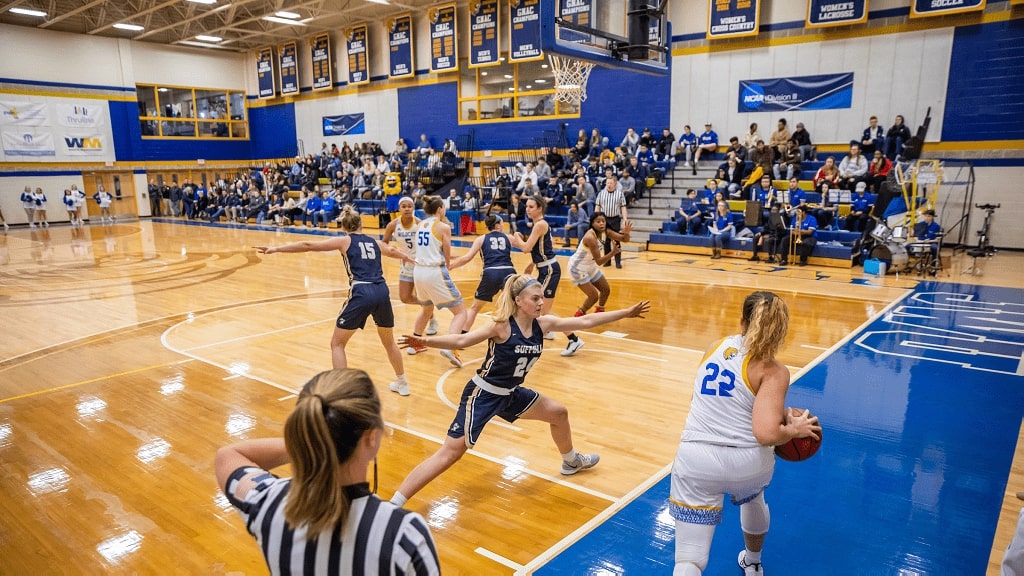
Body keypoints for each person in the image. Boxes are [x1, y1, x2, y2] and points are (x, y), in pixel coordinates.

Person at [390, 275, 652, 505]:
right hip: (483, 394)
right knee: (451, 453)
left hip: (510, 394)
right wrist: (424, 340)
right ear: (518, 300)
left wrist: (625, 312)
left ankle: (571, 461)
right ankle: (395, 502)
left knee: (558, 413)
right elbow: (461, 340)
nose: (541, 302)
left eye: (541, 298)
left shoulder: (543, 325)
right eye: (535, 298)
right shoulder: (501, 326)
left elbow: (586, 322)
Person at [215, 369, 440, 575]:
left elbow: (228, 455)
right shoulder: (404, 534)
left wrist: (313, 442)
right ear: (372, 438)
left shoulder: (267, 503)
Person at [670, 291, 821, 576]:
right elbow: (766, 434)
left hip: (696, 459)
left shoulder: (714, 347)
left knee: (689, 560)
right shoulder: (774, 370)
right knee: (754, 498)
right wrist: (793, 429)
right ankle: (752, 562)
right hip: (747, 464)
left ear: (742, 321)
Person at [254, 206, 415, 395]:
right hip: (382, 291)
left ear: (344, 227)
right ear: (361, 225)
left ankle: (343, 391)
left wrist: (276, 248)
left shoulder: (344, 240)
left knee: (337, 344)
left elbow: (308, 246)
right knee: (389, 342)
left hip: (362, 291)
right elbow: (391, 250)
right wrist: (406, 257)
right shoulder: (374, 241)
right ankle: (402, 382)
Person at [509, 194, 584, 355]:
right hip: (545, 268)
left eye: (531, 207)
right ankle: (549, 330)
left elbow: (526, 248)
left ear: (539, 209)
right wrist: (532, 264)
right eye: (527, 207)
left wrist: (516, 239)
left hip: (549, 269)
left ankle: (574, 339)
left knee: (544, 310)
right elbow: (541, 248)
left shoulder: (539, 225)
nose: (527, 210)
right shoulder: (539, 224)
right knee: (543, 308)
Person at [410, 196, 469, 368]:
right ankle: (450, 346)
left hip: (418, 271)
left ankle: (415, 342)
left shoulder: (420, 225)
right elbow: (447, 251)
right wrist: (449, 266)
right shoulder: (443, 227)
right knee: (460, 312)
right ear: (440, 209)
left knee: (427, 309)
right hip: (434, 271)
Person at [382, 196, 438, 342]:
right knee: (405, 297)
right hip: (405, 265)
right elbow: (383, 243)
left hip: (420, 264)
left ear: (413, 208)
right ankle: (430, 310)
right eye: (404, 206)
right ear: (399, 208)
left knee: (423, 296)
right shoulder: (393, 225)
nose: (407, 209)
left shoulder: (419, 223)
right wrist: (390, 249)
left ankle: (430, 318)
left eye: (410, 206)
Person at [449, 213, 517, 330]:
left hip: (491, 272)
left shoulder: (481, 239)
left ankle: (463, 334)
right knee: (514, 305)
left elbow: (467, 258)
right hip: (509, 272)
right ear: (497, 226)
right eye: (501, 223)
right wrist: (518, 236)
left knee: (475, 308)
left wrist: (451, 266)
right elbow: (527, 248)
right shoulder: (509, 238)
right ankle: (518, 332)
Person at [569, 212, 632, 321]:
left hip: (590, 266)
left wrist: (626, 233)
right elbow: (599, 261)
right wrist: (613, 252)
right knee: (593, 296)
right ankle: (579, 315)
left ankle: (599, 312)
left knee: (605, 289)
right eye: (598, 222)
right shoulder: (590, 237)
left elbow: (624, 239)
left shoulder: (606, 231)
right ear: (592, 223)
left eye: (603, 221)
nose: (602, 223)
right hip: (577, 268)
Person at [595, 174, 629, 269]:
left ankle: (618, 262)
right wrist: (595, 219)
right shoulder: (601, 193)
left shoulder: (620, 194)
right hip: (604, 219)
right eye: (607, 183)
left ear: (615, 183)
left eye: (611, 183)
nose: (609, 184)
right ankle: (607, 261)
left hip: (615, 219)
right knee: (605, 241)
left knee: (617, 241)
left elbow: (623, 208)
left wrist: (625, 219)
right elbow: (597, 206)